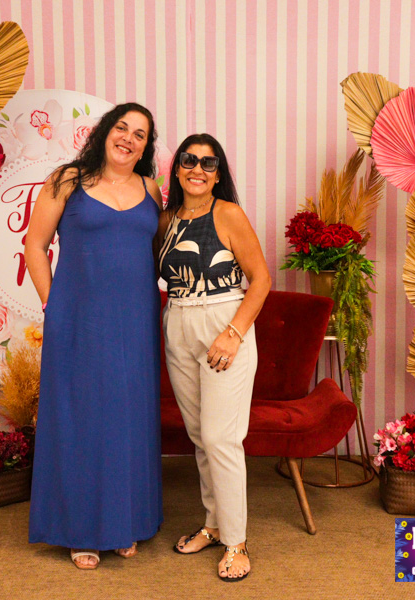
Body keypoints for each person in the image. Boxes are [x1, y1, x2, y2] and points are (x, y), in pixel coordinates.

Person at [25, 103, 164, 570]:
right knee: (80, 419)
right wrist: (53, 304)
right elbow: (34, 245)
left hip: (137, 321)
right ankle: (80, 530)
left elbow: (156, 251)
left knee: (130, 419)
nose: (128, 138)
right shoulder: (68, 180)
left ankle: (126, 523)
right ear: (105, 132)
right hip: (78, 319)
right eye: (121, 128)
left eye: (140, 134)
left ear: (145, 147)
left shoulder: (151, 188)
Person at [157, 133, 271, 581]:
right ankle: (214, 523)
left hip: (223, 320)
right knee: (201, 436)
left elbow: (260, 280)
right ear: (177, 168)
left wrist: (233, 333)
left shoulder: (228, 214)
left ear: (218, 173)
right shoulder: (165, 221)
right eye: (189, 160)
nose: (197, 169)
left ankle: (236, 542)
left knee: (222, 437)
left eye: (208, 163)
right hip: (178, 321)